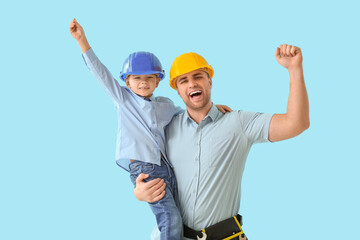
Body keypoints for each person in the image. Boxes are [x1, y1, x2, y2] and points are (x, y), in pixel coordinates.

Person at [69, 19, 231, 240]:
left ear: (158, 81)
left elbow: (189, 112)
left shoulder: (165, 105)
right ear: (127, 81)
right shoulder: (123, 100)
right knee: (170, 218)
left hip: (165, 165)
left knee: (180, 217)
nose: (143, 83)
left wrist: (213, 108)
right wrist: (82, 40)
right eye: (137, 78)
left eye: (149, 78)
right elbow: (101, 73)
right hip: (144, 167)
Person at [134, 46, 310, 240]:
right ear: (178, 90)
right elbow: (142, 161)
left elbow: (296, 123)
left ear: (209, 81)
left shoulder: (238, 123)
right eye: (183, 80)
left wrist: (294, 70)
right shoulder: (167, 127)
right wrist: (140, 190)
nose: (192, 84)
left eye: (198, 77)